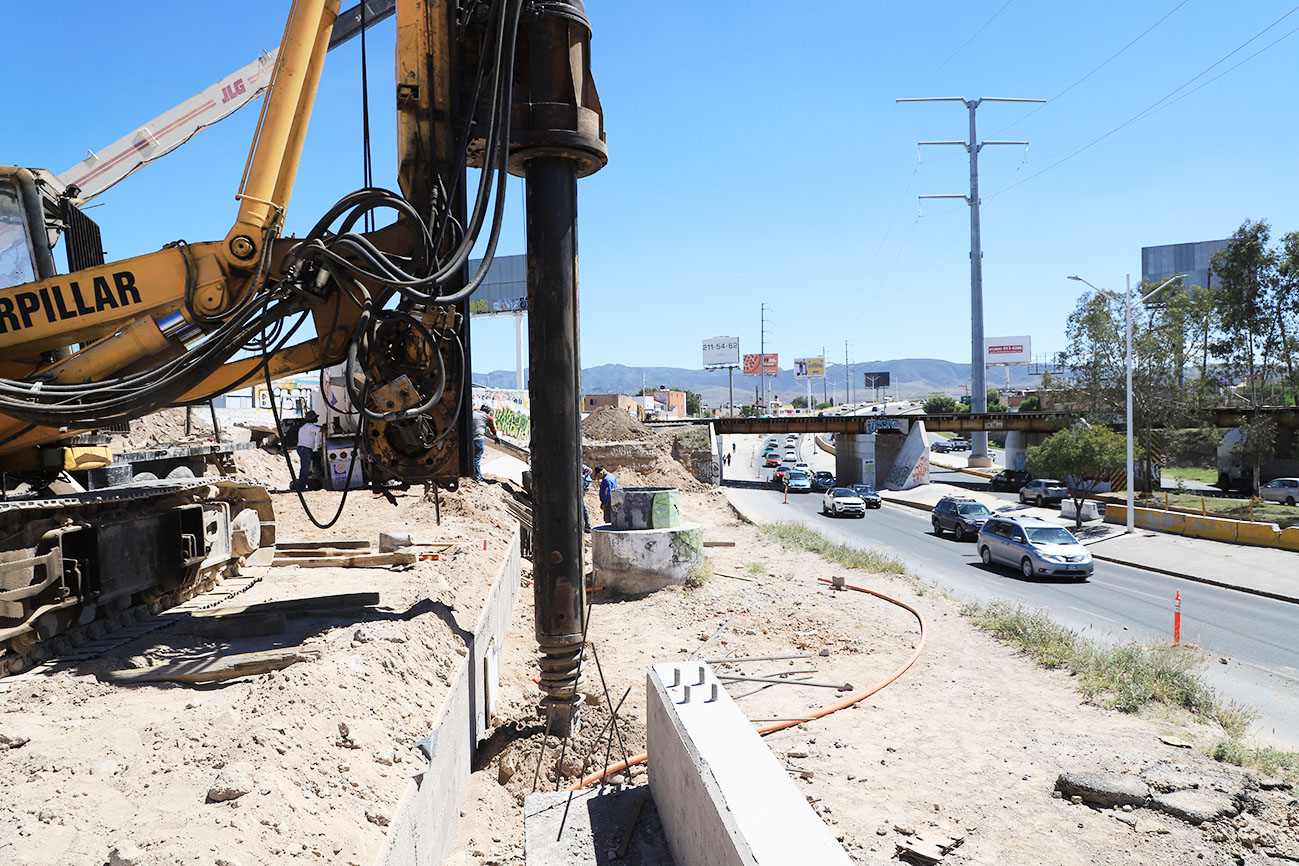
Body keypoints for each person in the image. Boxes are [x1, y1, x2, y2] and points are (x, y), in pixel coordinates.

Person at [471, 404, 500, 482]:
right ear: (488, 411)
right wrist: (496, 438)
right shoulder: (487, 417)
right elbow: (493, 429)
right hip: (478, 438)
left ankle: (470, 474)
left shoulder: (473, 413)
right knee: (476, 457)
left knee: (470, 457)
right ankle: (478, 477)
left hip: (468, 439)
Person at [295, 411, 323, 490]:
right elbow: (321, 430)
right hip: (305, 449)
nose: (316, 419)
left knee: (316, 457)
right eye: (315, 418)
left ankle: (316, 473)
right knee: (305, 468)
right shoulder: (309, 426)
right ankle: (301, 487)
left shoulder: (306, 426)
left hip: (304, 449)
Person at [581, 464, 593, 532]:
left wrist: (583, 476)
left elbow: (590, 470)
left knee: (583, 507)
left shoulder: (581, 466)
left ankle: (587, 525)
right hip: (581, 488)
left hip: (581, 489)